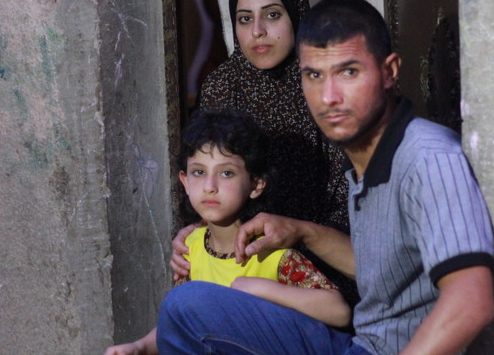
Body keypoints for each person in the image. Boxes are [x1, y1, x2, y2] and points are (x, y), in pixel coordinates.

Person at [156, 0, 494, 355]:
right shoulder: (365, 160)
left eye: (348, 72)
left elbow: (471, 301)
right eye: (314, 76)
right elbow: (381, 271)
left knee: (187, 305)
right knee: (189, 307)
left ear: (390, 72)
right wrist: (301, 231)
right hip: (358, 345)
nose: (329, 96)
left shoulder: (428, 157)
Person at [170, 0, 355, 301]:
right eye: (244, 19)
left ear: (298, 17)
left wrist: (299, 242)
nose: (257, 31)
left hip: (321, 263)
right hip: (241, 256)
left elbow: (350, 200)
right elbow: (212, 175)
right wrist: (200, 232)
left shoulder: (325, 84)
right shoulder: (222, 86)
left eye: (271, 15)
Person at [105, 109, 350, 355]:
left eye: (226, 173)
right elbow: (184, 322)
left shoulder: (269, 251)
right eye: (199, 172)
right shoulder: (190, 248)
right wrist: (140, 346)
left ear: (256, 184)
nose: (210, 187)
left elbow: (339, 312)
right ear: (185, 182)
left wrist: (263, 290)